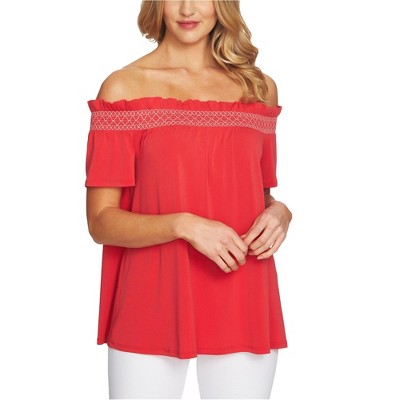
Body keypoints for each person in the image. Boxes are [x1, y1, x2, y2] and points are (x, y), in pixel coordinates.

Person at [85, 0, 292, 398]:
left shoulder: (258, 89)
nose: (186, 8)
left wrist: (280, 213)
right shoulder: (124, 88)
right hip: (151, 295)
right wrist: (185, 225)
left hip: (241, 289)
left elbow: (257, 193)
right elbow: (101, 222)